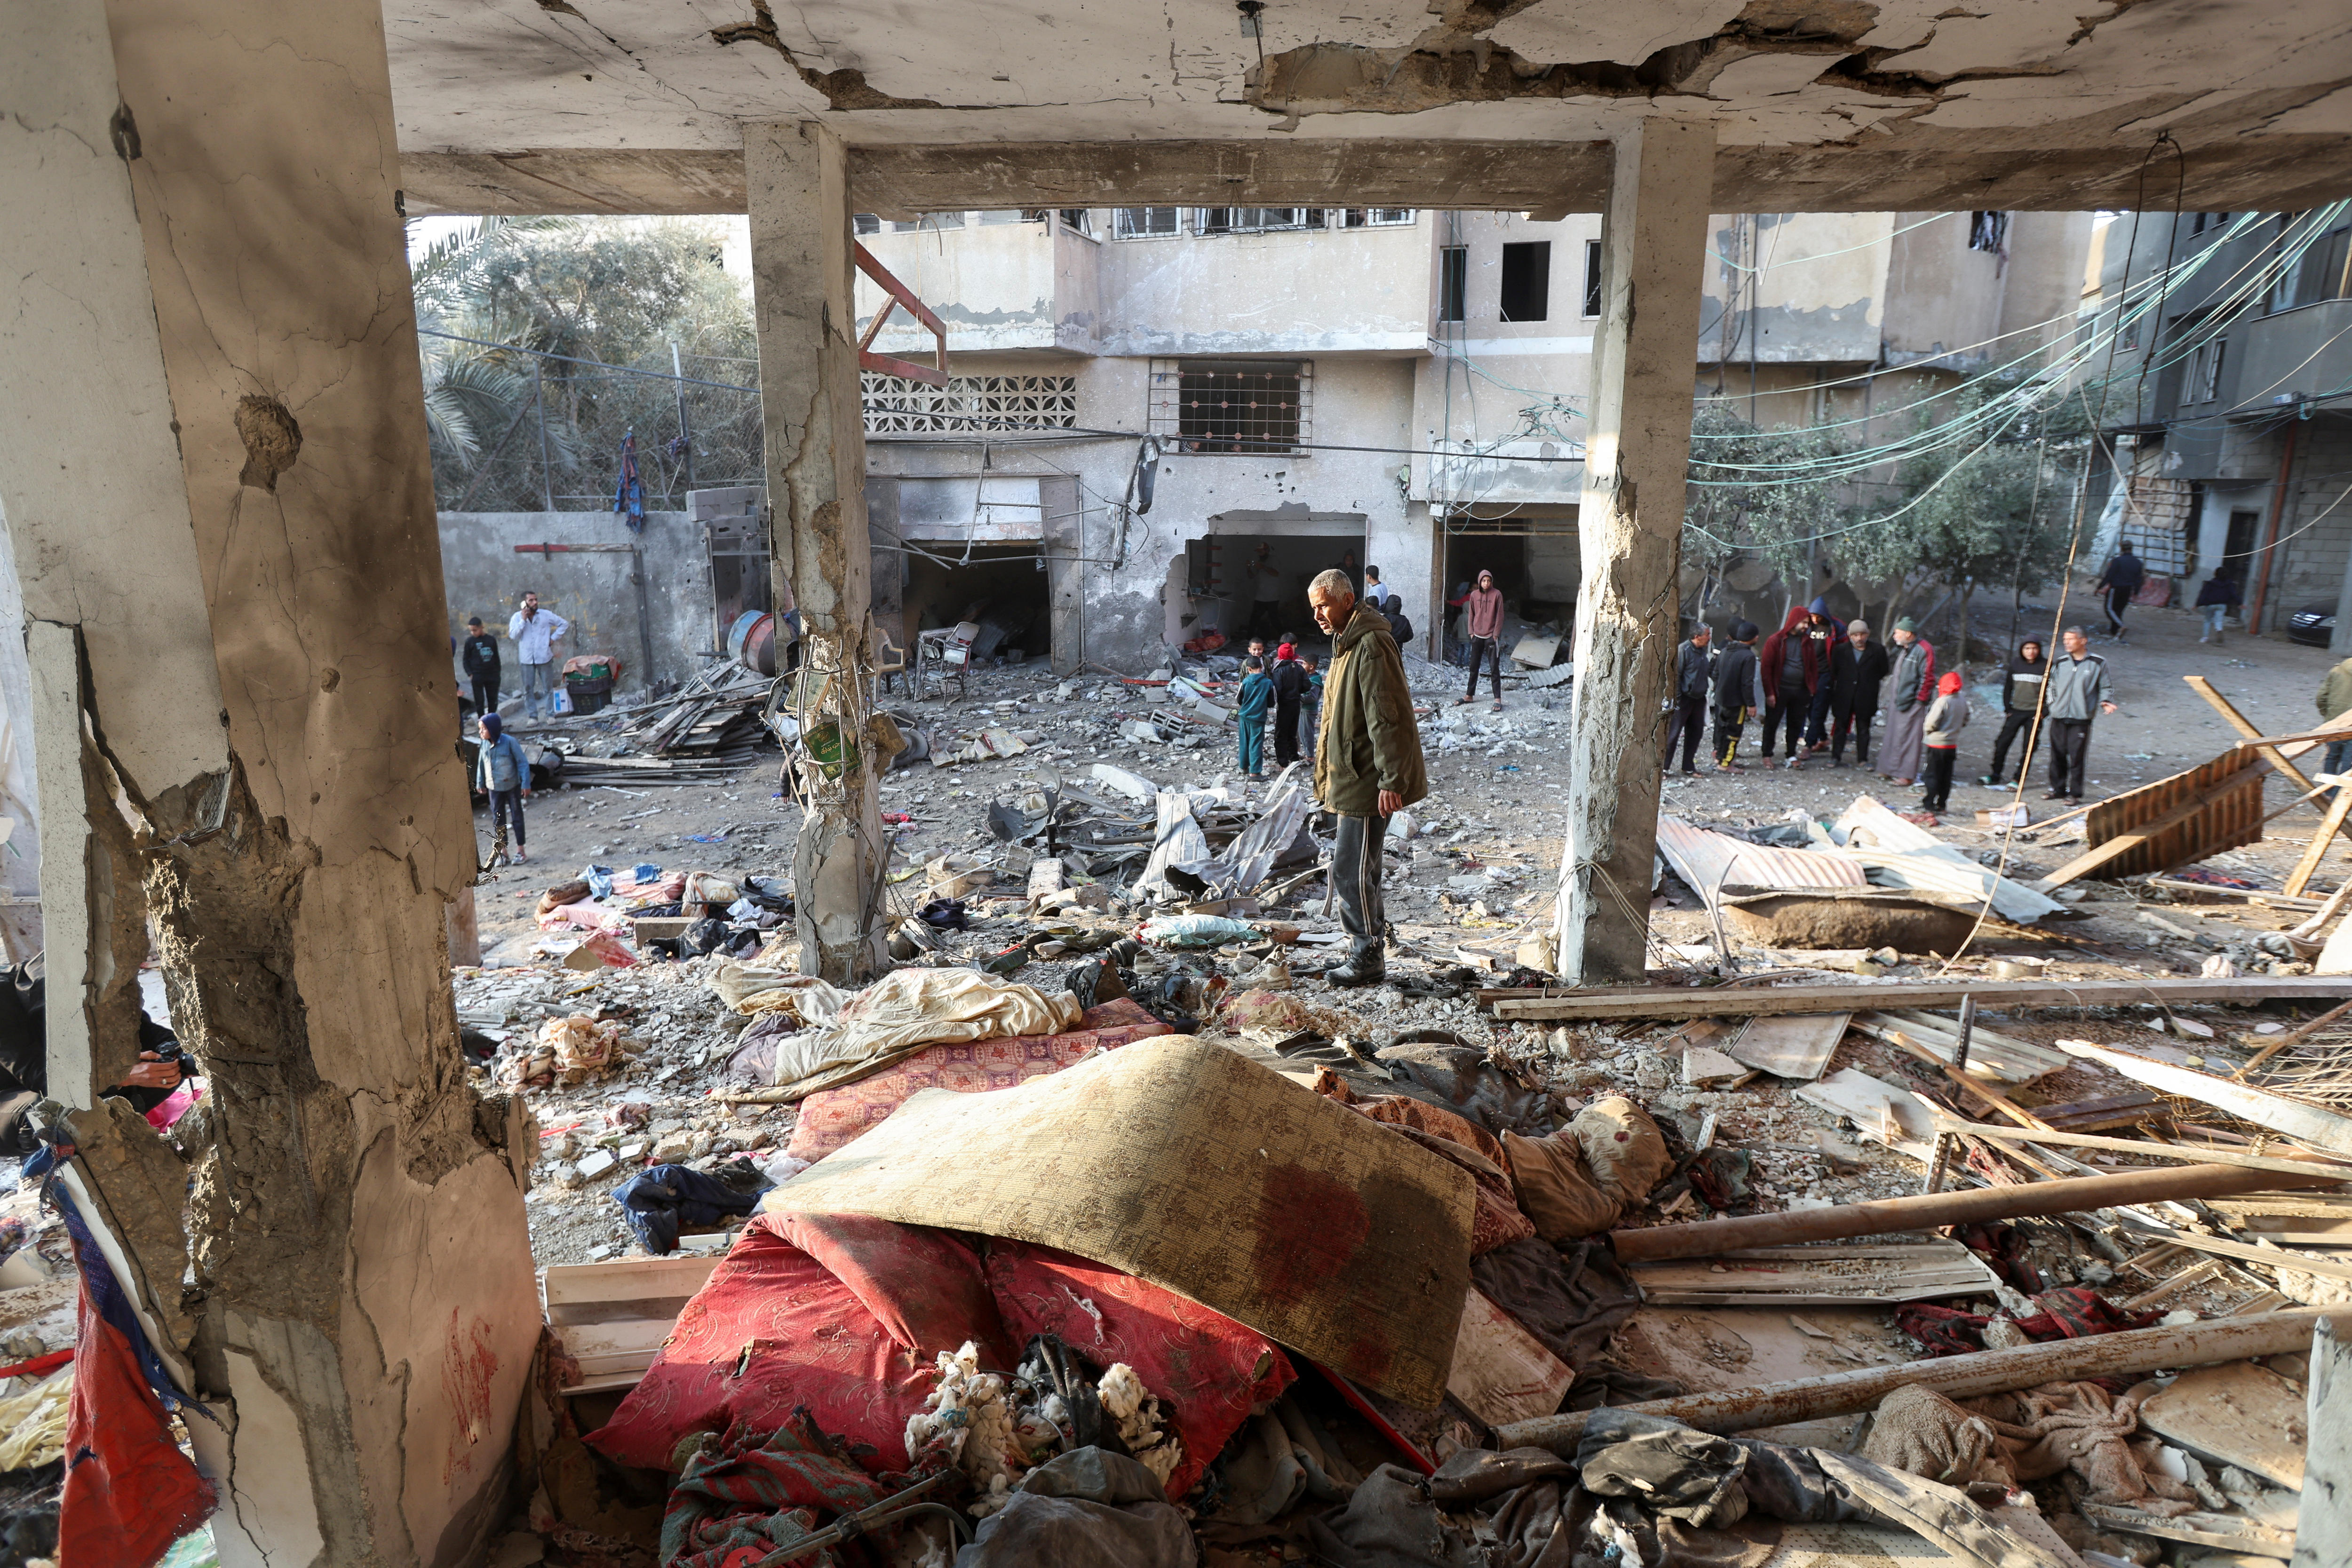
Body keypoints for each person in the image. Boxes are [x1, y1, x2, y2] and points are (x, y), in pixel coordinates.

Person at [1309, 568, 1427, 987]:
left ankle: (1365, 954)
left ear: (1347, 599)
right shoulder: (1347, 643)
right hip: (1352, 773)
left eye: (1323, 605)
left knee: (1349, 870)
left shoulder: (1371, 643)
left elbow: (1386, 715)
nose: (1318, 615)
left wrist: (1392, 779)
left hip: (1365, 778)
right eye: (1314, 608)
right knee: (1365, 867)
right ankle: (1369, 947)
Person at [0, 956, 198, 1154]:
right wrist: (120, 1076)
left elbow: (140, 1030)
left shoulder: (89, 968)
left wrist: (179, 1052)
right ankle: (41, 1168)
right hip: (12, 1094)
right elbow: (41, 1078)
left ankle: (113, 1137)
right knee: (46, 1115)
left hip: (56, 1071)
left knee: (165, 1070)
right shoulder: (34, 994)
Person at [2044, 625, 2118, 803]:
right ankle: (2058, 789)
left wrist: (2105, 702)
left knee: (2076, 756)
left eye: (2071, 639)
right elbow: (2051, 686)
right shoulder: (2061, 662)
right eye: (2065, 640)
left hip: (2081, 718)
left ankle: (2075, 794)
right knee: (2057, 755)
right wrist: (2052, 706)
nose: (2067, 643)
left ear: (2083, 641)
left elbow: (2106, 686)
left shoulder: (2098, 663)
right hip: (2059, 716)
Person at [1757, 607, 1824, 767]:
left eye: (1807, 623)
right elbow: (1766, 668)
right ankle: (1767, 755)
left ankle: (1791, 755)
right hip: (1780, 690)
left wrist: (1811, 688)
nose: (1805, 626)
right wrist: (1770, 693)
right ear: (1794, 621)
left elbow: (1813, 667)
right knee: (1772, 724)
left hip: (1801, 691)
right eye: (1803, 622)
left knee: (1796, 724)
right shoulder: (1776, 641)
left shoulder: (1807, 642)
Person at [1980, 638, 2048, 786]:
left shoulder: (2046, 666)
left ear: (2039, 649)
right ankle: (1995, 774)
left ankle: (2018, 779)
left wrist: (2044, 712)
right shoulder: (2016, 664)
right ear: (2022, 650)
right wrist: (2007, 708)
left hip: (2034, 714)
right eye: (2027, 648)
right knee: (2002, 743)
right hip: (2016, 711)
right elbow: (2008, 687)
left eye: (2034, 648)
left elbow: (2053, 691)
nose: (2031, 652)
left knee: (2029, 747)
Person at [1878, 618, 1936, 787]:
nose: (1895, 636)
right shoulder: (1906, 649)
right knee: (1894, 735)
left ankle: (1906, 775)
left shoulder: (1923, 649)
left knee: (1909, 739)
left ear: (1908, 634)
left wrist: (1920, 700)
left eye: (1897, 633)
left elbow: (1928, 678)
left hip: (1913, 703)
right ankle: (1890, 769)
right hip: (1900, 701)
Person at [1828, 620, 1890, 767]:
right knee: (1840, 728)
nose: (1859, 638)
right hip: (1844, 695)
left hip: (1866, 695)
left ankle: (1863, 759)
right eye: (1855, 635)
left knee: (1863, 729)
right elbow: (1835, 671)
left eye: (1862, 634)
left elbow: (1883, 670)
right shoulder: (1840, 651)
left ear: (1868, 634)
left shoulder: (1877, 651)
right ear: (1849, 635)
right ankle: (1836, 757)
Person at [476, 711, 533, 864]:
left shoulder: (510, 742)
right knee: (498, 820)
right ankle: (503, 852)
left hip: (512, 785)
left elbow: (522, 763)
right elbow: (481, 764)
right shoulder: (484, 744)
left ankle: (521, 851)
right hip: (494, 787)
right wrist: (480, 782)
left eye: (484, 729)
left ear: (493, 729)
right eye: (480, 729)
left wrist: (526, 783)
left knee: (517, 817)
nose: (481, 732)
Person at [507, 590, 571, 721]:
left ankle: (550, 715)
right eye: (531, 600)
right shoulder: (516, 618)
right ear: (524, 603)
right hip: (527, 659)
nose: (535, 602)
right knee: (528, 689)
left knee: (548, 688)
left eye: (536, 600)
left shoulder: (545, 615)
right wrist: (523, 621)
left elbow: (564, 624)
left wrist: (553, 638)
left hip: (544, 657)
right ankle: (533, 717)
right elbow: (514, 636)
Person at [1662, 623, 1714, 777]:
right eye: (1707, 635)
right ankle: (1663, 769)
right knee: (1673, 735)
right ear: (1697, 637)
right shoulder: (1683, 651)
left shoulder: (1702, 652)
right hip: (1683, 700)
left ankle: (1688, 767)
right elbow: (1675, 676)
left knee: (1696, 733)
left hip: (1698, 699)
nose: (1710, 638)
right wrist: (1677, 700)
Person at [1711, 621, 1764, 769]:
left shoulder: (1726, 650)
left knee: (1721, 728)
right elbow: (1747, 684)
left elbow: (1716, 673)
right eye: (1756, 636)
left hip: (1721, 699)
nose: (1758, 638)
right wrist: (1751, 704)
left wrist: (1719, 689)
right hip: (1736, 702)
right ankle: (1726, 763)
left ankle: (1720, 758)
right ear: (1752, 638)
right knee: (1734, 732)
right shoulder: (1748, 656)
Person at [1920, 671, 1970, 814]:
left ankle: (1929, 803)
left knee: (1932, 774)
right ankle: (1942, 804)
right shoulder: (1961, 699)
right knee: (1946, 776)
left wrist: (1929, 732)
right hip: (1951, 744)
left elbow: (1931, 723)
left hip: (1936, 744)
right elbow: (1967, 718)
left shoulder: (1943, 701)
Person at [1459, 568, 1506, 711]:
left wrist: (1496, 634)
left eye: (1489, 581)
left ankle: (1497, 698)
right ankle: (1469, 695)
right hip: (1477, 636)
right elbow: (1471, 614)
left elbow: (1500, 616)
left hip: (1491, 636)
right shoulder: (1474, 595)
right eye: (1484, 581)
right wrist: (1471, 633)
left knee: (1494, 668)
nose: (1486, 583)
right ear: (1480, 581)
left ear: (1492, 582)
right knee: (1474, 667)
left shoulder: (1497, 595)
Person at [1801, 598, 1843, 752]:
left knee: (1819, 709)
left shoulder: (1835, 627)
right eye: (1812, 615)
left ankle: (1809, 745)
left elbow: (1843, 648)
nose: (1814, 619)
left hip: (1826, 674)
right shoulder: (1807, 626)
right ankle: (1824, 739)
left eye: (1817, 615)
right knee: (1809, 708)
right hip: (1808, 672)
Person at [1235, 655, 1274, 778]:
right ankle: (1255, 772)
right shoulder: (1268, 683)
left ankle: (1244, 766)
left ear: (1249, 669)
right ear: (1261, 667)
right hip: (1258, 718)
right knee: (1256, 743)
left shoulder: (1245, 682)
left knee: (1244, 742)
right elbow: (1272, 702)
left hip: (1245, 716)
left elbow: (1239, 699)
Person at [2095, 545, 2144, 639]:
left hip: (2116, 588)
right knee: (2119, 610)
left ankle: (2121, 626)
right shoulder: (2138, 562)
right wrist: (2136, 591)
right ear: (2131, 549)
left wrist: (2100, 587)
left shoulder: (2118, 561)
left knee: (2109, 609)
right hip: (2128, 589)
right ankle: (2115, 632)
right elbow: (2139, 579)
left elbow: (2109, 575)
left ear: (2122, 549)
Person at [1272, 642, 1307, 766]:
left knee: (1281, 733)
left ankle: (1283, 761)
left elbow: (1278, 689)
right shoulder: (1299, 668)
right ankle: (1294, 757)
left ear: (1280, 655)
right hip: (1296, 703)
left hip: (1285, 705)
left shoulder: (1279, 670)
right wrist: (1298, 691)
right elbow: (1307, 685)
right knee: (1292, 732)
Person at [460, 615, 501, 719]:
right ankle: (482, 722)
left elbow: (496, 657)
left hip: (492, 675)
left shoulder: (491, 640)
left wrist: (497, 674)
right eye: (471, 631)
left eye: (475, 630)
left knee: (493, 700)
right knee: (479, 701)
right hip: (477, 676)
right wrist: (470, 674)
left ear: (481, 627)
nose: (473, 633)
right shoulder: (470, 642)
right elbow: (466, 659)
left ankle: (492, 721)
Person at [2319, 653, 2352, 778]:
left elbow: (2321, 697)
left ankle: (2327, 793)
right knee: (2349, 762)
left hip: (2335, 722)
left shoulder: (2338, 670)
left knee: (2332, 756)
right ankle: (2338, 794)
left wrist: (2329, 716)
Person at [2196, 566, 2241, 645]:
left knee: (2208, 621)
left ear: (2216, 574)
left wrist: (2198, 604)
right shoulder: (2229, 584)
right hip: (2222, 605)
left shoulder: (2210, 584)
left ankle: (2205, 638)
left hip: (2210, 605)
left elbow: (2204, 594)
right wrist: (2240, 603)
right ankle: (2219, 630)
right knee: (2219, 621)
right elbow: (2234, 594)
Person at [1248, 543, 1283, 640]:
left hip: (1272, 595)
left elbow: (1276, 573)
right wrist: (1248, 567)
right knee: (1254, 618)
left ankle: (1285, 639)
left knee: (1274, 619)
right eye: (1258, 552)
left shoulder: (1274, 560)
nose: (1259, 554)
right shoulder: (1259, 562)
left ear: (1267, 551)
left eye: (1261, 551)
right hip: (1260, 595)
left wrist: (1263, 567)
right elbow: (1252, 576)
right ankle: (1249, 638)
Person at [1299, 655, 1323, 762]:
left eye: (1305, 664)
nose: (1302, 665)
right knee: (1301, 732)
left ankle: (1311, 757)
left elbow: (1312, 697)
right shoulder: (1307, 677)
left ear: (1312, 666)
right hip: (1303, 709)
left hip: (1309, 710)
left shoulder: (1315, 681)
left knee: (1307, 733)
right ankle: (1308, 754)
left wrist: (1298, 697)